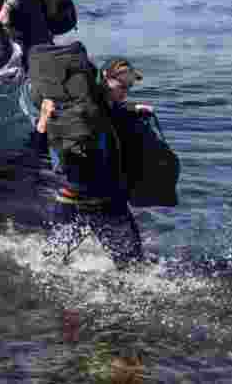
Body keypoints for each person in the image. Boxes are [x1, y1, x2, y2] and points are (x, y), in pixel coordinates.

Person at [31, 57, 154, 269]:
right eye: (122, 84)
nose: (126, 89)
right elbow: (37, 148)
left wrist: (134, 108)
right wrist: (43, 120)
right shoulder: (81, 112)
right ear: (105, 79)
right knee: (135, 267)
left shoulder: (102, 107)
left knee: (50, 263)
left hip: (72, 198)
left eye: (129, 85)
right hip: (100, 201)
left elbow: (115, 110)